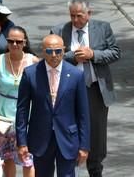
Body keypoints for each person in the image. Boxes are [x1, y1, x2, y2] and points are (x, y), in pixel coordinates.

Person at [51, 0, 121, 177]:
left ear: (89, 14)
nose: (75, 20)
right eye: (72, 16)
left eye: (79, 16)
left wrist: (93, 54)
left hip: (95, 90)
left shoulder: (103, 28)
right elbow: (50, 58)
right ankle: (69, 168)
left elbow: (115, 52)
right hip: (68, 90)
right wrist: (72, 57)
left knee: (96, 133)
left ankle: (95, 169)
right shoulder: (59, 31)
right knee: (69, 130)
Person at [15, 34, 90, 177]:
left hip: (68, 138)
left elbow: (83, 113)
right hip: (40, 138)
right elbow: (22, 110)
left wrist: (84, 146)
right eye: (49, 51)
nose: (54, 55)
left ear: (64, 50)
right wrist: (22, 142)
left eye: (58, 51)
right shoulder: (31, 74)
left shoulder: (76, 75)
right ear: (43, 51)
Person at [0, 27, 39, 177]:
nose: (14, 44)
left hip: (25, 115)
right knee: (7, 158)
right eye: (11, 41)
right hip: (2, 117)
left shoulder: (33, 61)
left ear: (25, 42)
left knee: (27, 159)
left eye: (18, 41)